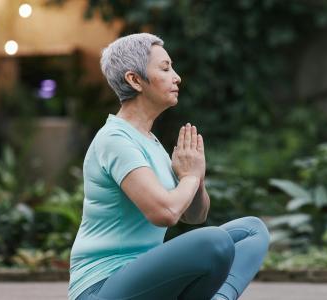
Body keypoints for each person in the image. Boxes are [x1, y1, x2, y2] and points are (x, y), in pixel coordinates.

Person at [68, 33, 270, 300]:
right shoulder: (114, 140)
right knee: (214, 242)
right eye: (165, 68)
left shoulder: (150, 141)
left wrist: (196, 178)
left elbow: (194, 216)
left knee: (252, 230)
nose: (177, 77)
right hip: (101, 287)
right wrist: (189, 177)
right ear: (135, 80)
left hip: (145, 280)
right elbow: (164, 212)